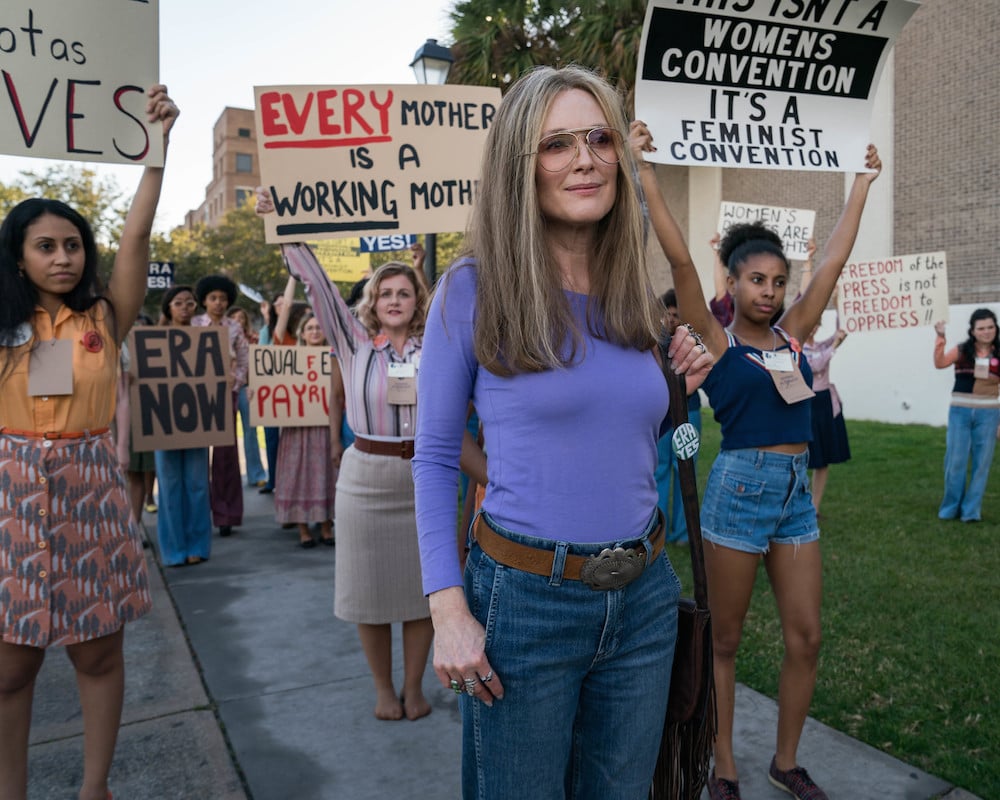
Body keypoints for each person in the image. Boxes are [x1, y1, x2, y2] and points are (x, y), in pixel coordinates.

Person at [411, 66, 713, 800]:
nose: (584, 159)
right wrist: (447, 610)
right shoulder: (471, 290)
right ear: (520, 167)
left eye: (598, 138)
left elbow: (654, 446)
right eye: (555, 145)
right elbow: (434, 458)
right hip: (524, 605)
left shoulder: (635, 302)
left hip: (643, 598)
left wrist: (684, 392)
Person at [634, 118, 881, 800]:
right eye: (755, 281)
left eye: (777, 280)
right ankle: (724, 767)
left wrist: (860, 185)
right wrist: (647, 175)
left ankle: (786, 760)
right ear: (734, 285)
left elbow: (831, 262)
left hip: (796, 496)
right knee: (725, 642)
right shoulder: (715, 343)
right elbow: (682, 262)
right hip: (738, 493)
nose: (769, 291)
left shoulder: (796, 335)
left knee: (805, 638)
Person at [0, 85, 177, 800]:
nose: (63, 257)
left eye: (72, 245)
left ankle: (93, 788)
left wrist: (156, 147)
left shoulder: (105, 314)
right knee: (11, 667)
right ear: (18, 258)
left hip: (91, 491)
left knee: (98, 652)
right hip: (9, 494)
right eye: (46, 246)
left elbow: (135, 235)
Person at [153, 286, 213, 567]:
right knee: (169, 487)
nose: (185, 307)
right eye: (179, 303)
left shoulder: (206, 339)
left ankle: (197, 546)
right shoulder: (152, 340)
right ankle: (174, 550)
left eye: (190, 303)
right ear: (168, 308)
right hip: (163, 423)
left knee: (198, 485)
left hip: (198, 420)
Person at [272, 309, 338, 548]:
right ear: (302, 332)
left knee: (325, 474)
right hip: (297, 431)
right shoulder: (289, 359)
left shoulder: (335, 359)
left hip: (324, 429)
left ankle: (325, 525)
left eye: (318, 327)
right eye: (310, 328)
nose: (314, 332)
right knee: (298, 476)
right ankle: (303, 529)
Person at [192, 275, 248, 536]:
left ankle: (227, 515)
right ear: (204, 301)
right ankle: (200, 514)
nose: (218, 303)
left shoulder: (235, 329)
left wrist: (234, 384)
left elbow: (245, 361)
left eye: (223, 298)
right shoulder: (193, 326)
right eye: (213, 298)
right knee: (197, 456)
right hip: (196, 397)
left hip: (226, 396)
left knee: (226, 456)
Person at [933, 309, 1000, 522]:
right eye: (981, 328)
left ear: (996, 328)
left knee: (982, 464)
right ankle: (950, 508)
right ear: (972, 331)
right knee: (956, 461)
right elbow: (940, 362)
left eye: (990, 327)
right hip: (960, 413)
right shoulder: (962, 351)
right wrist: (940, 336)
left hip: (989, 415)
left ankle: (971, 511)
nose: (986, 332)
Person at [655, 289, 703, 545]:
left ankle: (683, 534)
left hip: (689, 412)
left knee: (686, 471)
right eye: (669, 314)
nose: (673, 320)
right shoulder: (651, 343)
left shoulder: (694, 342)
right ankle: (659, 530)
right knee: (660, 471)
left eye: (678, 315)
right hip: (662, 415)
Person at [803, 322, 850, 515]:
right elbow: (815, 364)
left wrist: (839, 301)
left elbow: (840, 331)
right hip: (807, 403)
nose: (813, 326)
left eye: (816, 322)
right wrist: (835, 344)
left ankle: (815, 507)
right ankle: (800, 503)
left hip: (825, 403)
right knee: (804, 456)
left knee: (823, 459)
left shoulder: (819, 345)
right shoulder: (798, 347)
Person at [226, 305, 268, 488]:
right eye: (234, 317)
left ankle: (256, 473)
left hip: (246, 388)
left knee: (250, 431)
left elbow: (258, 365)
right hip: (225, 389)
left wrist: (254, 385)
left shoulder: (254, 339)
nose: (238, 320)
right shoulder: (220, 337)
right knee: (225, 436)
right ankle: (228, 477)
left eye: (241, 317)